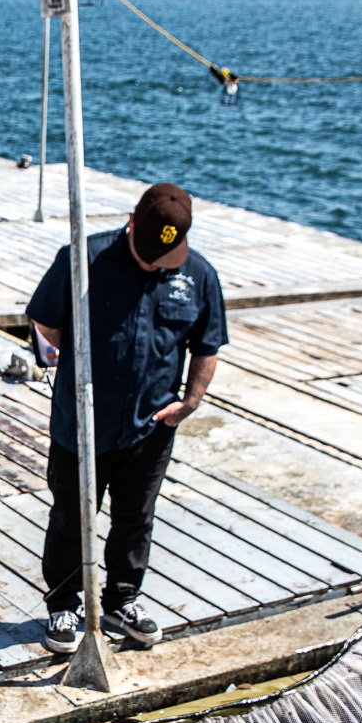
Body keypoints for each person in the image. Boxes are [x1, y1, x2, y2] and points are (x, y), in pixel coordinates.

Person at [27, 182, 225, 654]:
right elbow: (45, 322)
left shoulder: (198, 275)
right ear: (131, 223)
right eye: (147, 252)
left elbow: (207, 344)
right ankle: (63, 604)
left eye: (165, 256)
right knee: (72, 517)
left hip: (151, 426)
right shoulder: (82, 259)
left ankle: (122, 599)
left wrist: (190, 402)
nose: (154, 264)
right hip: (82, 423)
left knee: (136, 519)